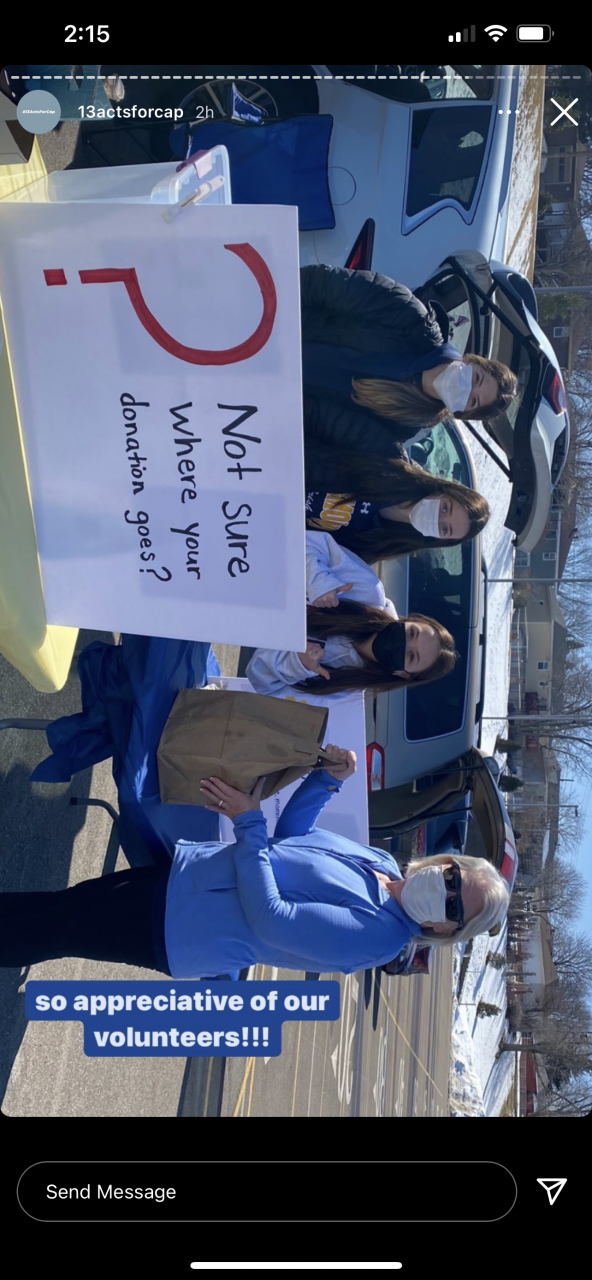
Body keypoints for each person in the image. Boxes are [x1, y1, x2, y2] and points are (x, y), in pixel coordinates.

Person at [0, 750, 509, 976]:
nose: (443, 890)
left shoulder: (380, 939)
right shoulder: (381, 863)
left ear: (447, 931)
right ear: (448, 862)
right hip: (184, 879)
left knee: (54, 932)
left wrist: (248, 823)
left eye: (453, 906)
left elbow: (273, 920)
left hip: (179, 931)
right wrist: (326, 781)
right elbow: (293, 841)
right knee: (58, 907)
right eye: (453, 879)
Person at [300, 263, 518, 456]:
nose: (466, 389)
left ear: (462, 412)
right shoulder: (412, 319)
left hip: (285, 394)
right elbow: (326, 284)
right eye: (476, 379)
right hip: (287, 326)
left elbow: (328, 437)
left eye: (473, 401)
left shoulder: (404, 424)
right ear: (471, 361)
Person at [245, 531, 457, 698]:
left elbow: (259, 682)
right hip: (245, 566)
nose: (404, 643)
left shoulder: (343, 687)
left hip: (234, 624)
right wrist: (319, 581)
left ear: (404, 675)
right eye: (411, 633)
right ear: (409, 620)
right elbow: (306, 541)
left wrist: (296, 665)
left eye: (411, 656)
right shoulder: (367, 590)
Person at [305, 446, 490, 563]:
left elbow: (317, 555)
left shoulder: (380, 547)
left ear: (439, 539)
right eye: (445, 508)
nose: (436, 519)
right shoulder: (390, 460)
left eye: (445, 529)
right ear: (443, 490)